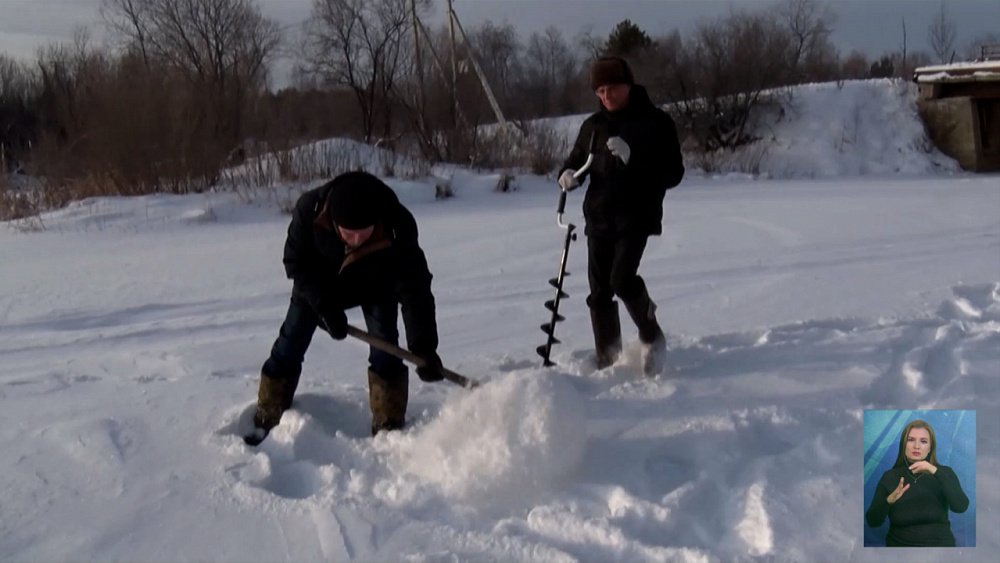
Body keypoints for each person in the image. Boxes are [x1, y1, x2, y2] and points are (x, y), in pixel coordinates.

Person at [252, 171, 444, 438]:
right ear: (333, 221)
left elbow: (416, 289)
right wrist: (324, 306)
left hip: (377, 285)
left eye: (363, 233)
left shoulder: (397, 224)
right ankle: (269, 410)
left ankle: (388, 423)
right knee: (290, 341)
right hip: (320, 285)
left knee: (386, 347)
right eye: (348, 234)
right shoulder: (310, 210)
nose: (355, 241)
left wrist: (425, 348)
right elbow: (296, 263)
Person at [557, 56, 684, 374]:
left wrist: (634, 158)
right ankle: (607, 357)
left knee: (622, 279)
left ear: (628, 85)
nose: (605, 96)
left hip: (637, 215)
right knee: (599, 292)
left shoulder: (655, 123)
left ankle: (651, 334)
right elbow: (576, 162)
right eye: (599, 90)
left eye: (611, 88)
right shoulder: (593, 127)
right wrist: (568, 175)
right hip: (598, 217)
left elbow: (673, 173)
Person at [865, 419, 970, 547]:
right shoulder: (890, 476)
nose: (917, 446)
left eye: (923, 441)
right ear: (904, 445)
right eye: (911, 440)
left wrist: (934, 471)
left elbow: (961, 507)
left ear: (930, 447)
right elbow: (872, 522)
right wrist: (888, 501)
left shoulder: (944, 473)